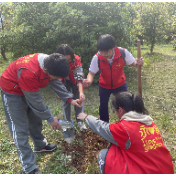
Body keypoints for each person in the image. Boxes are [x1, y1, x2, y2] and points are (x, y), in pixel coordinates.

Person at [0, 53, 82, 174]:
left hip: (28, 87)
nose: (55, 79)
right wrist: (50, 118)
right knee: (20, 129)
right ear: (46, 70)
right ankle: (29, 167)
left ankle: (40, 145)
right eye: (54, 76)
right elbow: (36, 102)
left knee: (35, 120)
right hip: (12, 91)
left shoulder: (52, 63)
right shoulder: (29, 72)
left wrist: (70, 99)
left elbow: (56, 82)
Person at [77, 91, 174, 174]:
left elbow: (102, 128)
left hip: (148, 171)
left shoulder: (125, 129)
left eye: (114, 111)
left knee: (103, 154)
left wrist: (86, 117)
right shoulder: (150, 123)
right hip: (165, 168)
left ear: (121, 110)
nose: (115, 113)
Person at [83, 34, 144, 123]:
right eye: (102, 52)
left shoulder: (122, 53)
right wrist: (89, 80)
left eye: (107, 52)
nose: (104, 54)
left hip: (120, 85)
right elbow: (91, 73)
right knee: (103, 106)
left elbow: (134, 63)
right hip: (104, 86)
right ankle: (104, 125)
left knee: (126, 105)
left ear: (113, 48)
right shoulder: (97, 57)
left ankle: (126, 124)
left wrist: (138, 62)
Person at [55, 44, 87, 131]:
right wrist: (59, 92)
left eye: (68, 59)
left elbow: (79, 76)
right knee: (66, 101)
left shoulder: (76, 59)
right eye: (64, 60)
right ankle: (67, 123)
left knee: (79, 100)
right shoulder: (56, 62)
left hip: (75, 82)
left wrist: (81, 93)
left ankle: (80, 121)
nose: (67, 62)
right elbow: (56, 79)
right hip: (63, 82)